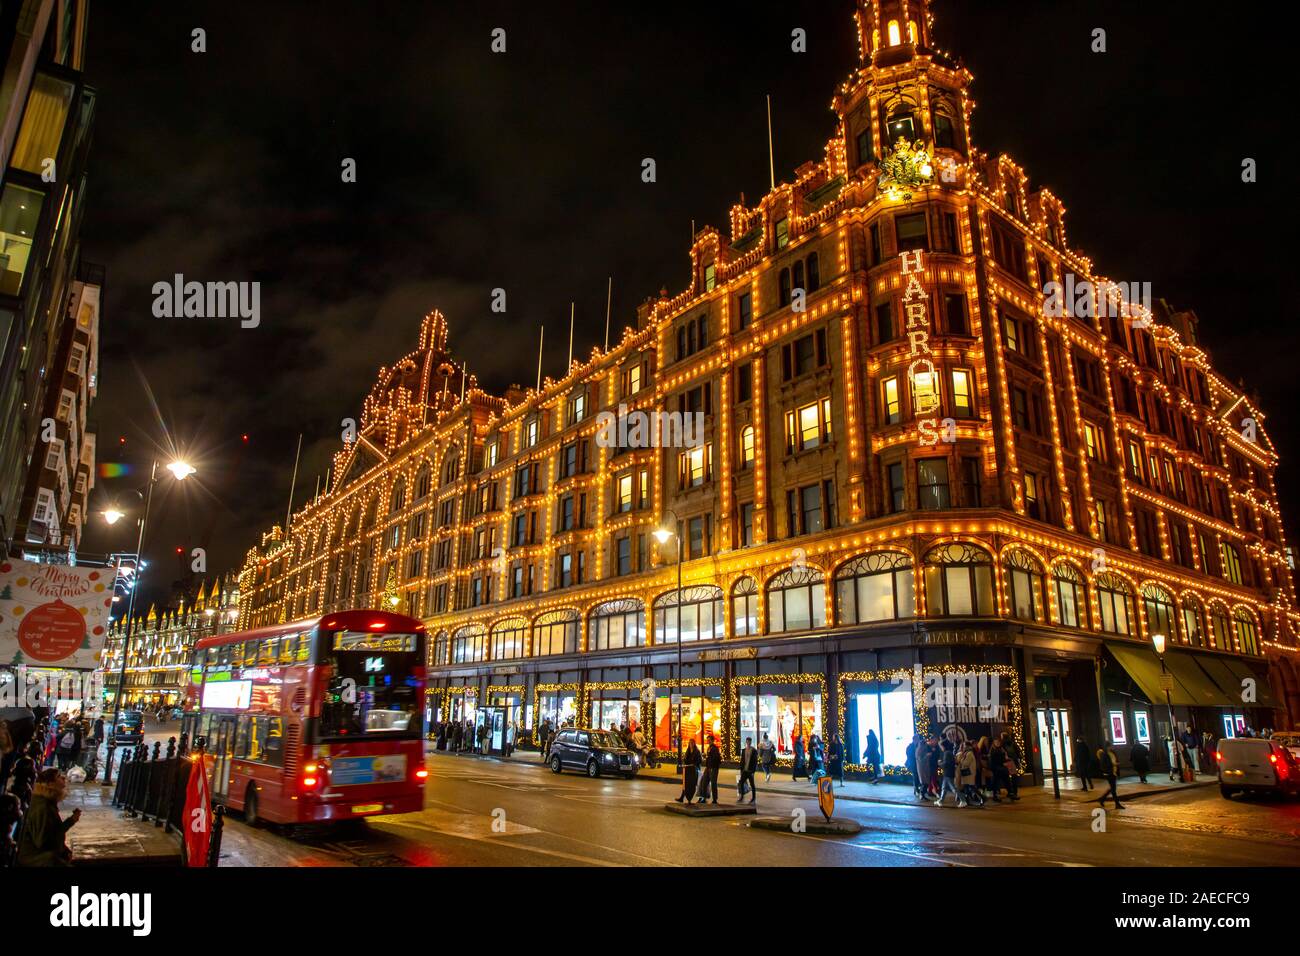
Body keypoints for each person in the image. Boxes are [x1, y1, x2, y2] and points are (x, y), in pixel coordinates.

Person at [17, 768, 80, 866]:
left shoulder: (47, 802)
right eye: (58, 777)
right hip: (36, 859)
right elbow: (44, 841)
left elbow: (51, 832)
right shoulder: (42, 806)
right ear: (50, 784)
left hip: (44, 856)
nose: (63, 778)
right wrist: (69, 822)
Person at [934, 740, 962, 806]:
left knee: (953, 789)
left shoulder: (947, 753)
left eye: (941, 746)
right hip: (949, 773)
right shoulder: (949, 752)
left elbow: (946, 764)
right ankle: (940, 801)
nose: (940, 747)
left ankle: (963, 800)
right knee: (944, 788)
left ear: (944, 746)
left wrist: (939, 763)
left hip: (948, 773)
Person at [1096, 742, 1124, 809]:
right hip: (1109, 773)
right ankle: (1117, 804)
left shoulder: (1113, 753)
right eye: (1109, 746)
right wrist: (1113, 765)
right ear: (1107, 747)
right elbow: (1103, 765)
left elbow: (1115, 761)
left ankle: (1102, 799)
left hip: (1114, 772)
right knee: (1113, 789)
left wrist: (1116, 767)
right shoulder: (1104, 754)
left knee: (1112, 788)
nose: (1111, 747)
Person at [957, 740, 982, 807]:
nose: (963, 747)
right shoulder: (967, 753)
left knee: (971, 787)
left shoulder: (969, 753)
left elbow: (966, 763)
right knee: (967, 787)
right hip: (966, 773)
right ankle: (968, 801)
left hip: (969, 773)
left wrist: (960, 760)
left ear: (967, 746)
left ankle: (982, 797)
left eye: (964, 746)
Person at [699, 735, 722, 805]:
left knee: (713, 783)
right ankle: (703, 797)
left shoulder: (715, 748)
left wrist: (711, 762)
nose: (708, 741)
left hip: (713, 768)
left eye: (709, 740)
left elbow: (716, 758)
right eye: (707, 740)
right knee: (704, 782)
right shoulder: (709, 747)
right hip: (708, 767)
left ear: (712, 740)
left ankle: (715, 799)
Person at [1000, 732, 1021, 800]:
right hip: (1014, 762)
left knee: (1006, 777)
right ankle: (1015, 792)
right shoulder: (1013, 743)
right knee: (1014, 777)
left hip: (1007, 762)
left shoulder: (1002, 744)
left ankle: (1010, 792)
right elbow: (1018, 752)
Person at [738, 736, 758, 804]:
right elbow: (742, 760)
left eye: (749, 741)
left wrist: (753, 771)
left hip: (750, 771)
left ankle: (753, 798)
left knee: (752, 785)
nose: (748, 743)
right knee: (741, 783)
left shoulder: (754, 750)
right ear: (746, 742)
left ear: (750, 742)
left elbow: (755, 761)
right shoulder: (743, 750)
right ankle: (742, 796)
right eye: (747, 741)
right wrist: (741, 769)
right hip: (744, 770)